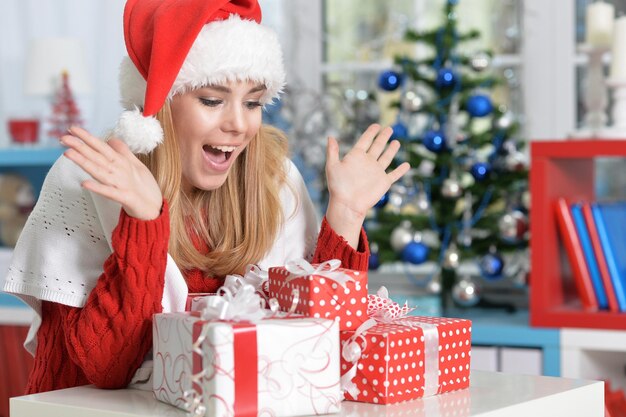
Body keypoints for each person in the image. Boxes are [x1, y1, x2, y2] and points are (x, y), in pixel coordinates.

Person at [2, 0, 410, 395]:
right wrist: (144, 220)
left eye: (253, 102)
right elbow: (107, 370)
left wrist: (346, 216)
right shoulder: (88, 178)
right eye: (212, 100)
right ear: (157, 105)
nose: (238, 124)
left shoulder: (274, 177)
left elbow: (321, 348)